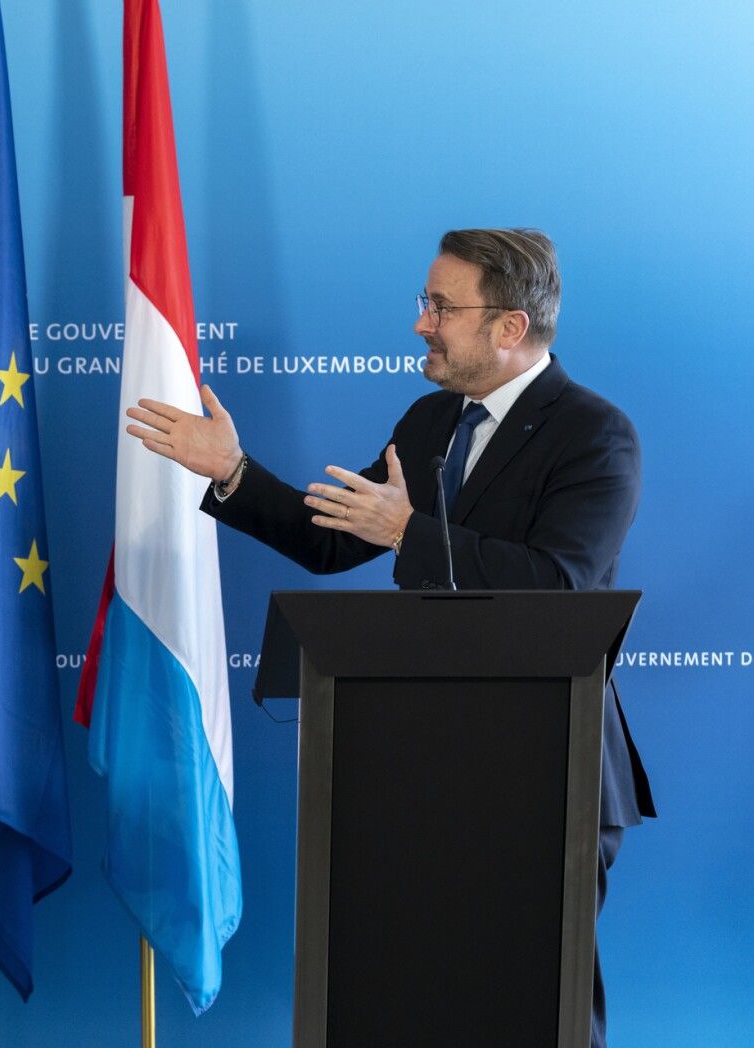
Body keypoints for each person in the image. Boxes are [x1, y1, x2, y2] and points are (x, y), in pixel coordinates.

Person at [124, 228, 652, 1047]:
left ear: (510, 327)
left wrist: (409, 532)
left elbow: (558, 588)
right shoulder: (431, 419)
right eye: (424, 302)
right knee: (415, 995)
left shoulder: (594, 434)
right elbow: (335, 540)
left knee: (535, 1003)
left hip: (550, 765)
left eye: (441, 306)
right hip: (418, 762)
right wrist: (232, 471)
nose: (420, 323)